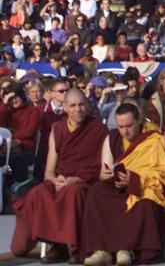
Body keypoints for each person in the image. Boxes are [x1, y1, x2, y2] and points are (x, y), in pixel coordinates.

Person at [79, 102, 165, 266]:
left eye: (129, 126)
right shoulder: (113, 138)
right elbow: (106, 167)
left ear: (139, 120)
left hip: (144, 186)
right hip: (119, 184)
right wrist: (105, 176)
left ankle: (126, 250)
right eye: (121, 127)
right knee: (96, 192)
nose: (125, 131)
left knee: (144, 202)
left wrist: (135, 179)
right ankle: (101, 250)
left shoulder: (155, 140)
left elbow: (164, 173)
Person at [14, 88, 109, 262]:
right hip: (61, 179)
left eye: (81, 105)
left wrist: (76, 179)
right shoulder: (57, 129)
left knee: (73, 193)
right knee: (39, 192)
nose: (77, 109)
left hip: (85, 181)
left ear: (87, 105)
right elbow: (49, 171)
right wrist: (55, 180)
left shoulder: (98, 129)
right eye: (72, 105)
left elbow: (102, 166)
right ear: (65, 108)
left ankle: (75, 249)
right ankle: (55, 245)